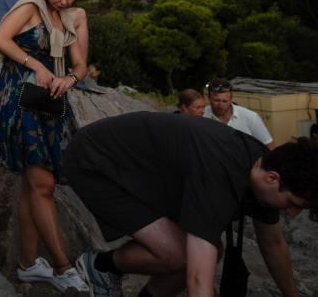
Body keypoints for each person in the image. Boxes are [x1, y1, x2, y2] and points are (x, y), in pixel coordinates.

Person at [67, 112, 312, 297]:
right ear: (273, 179)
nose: (291, 214)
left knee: (209, 252)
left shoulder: (263, 165)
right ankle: (100, 266)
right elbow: (198, 281)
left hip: (148, 173)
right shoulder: (220, 172)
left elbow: (274, 244)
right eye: (292, 203)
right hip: (97, 162)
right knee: (180, 254)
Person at [0, 0, 91, 292]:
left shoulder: (70, 17)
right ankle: (62, 267)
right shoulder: (31, 5)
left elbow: (81, 66)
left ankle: (28, 264)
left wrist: (68, 80)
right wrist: (37, 67)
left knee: (34, 186)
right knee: (42, 184)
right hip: (19, 97)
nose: (64, 1)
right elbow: (0, 39)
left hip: (49, 102)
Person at [204, 78, 273, 147]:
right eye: (216, 100)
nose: (220, 105)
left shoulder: (251, 117)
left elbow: (268, 146)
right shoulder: (202, 115)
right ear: (209, 98)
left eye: (225, 101)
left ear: (231, 99)